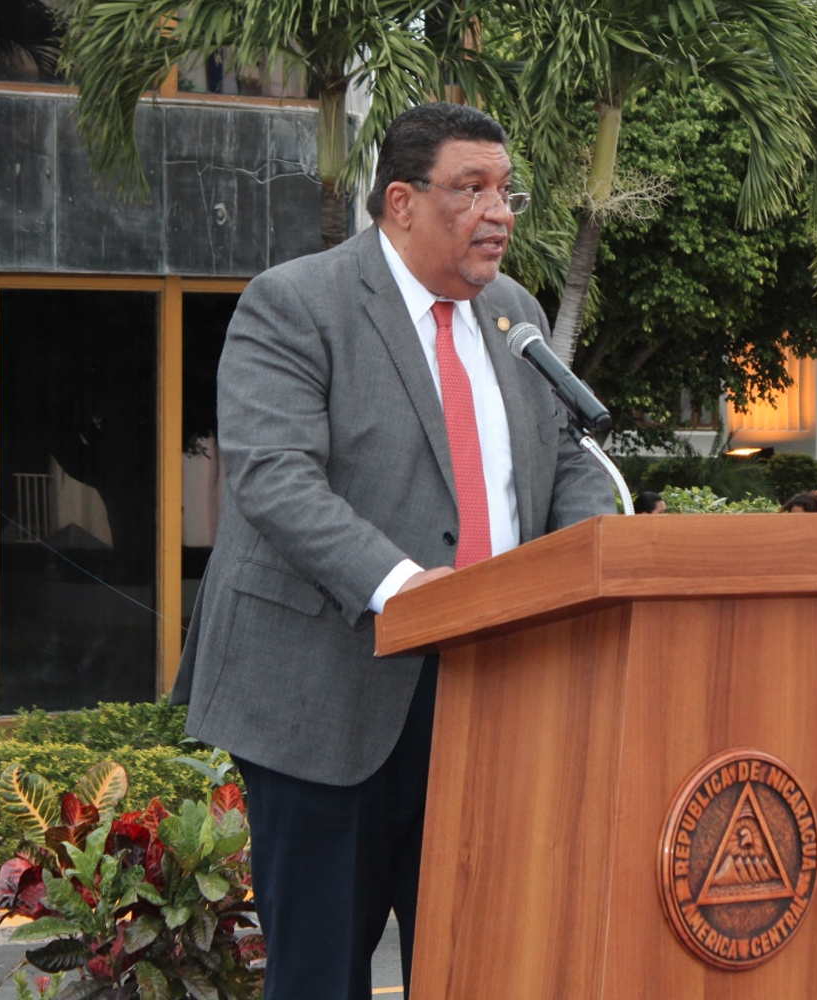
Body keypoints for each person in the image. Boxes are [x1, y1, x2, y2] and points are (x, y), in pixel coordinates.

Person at [171, 103, 614, 999]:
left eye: (506, 190)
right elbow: (276, 479)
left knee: (481, 964)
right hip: (328, 693)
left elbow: (570, 459)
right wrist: (413, 589)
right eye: (472, 189)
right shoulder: (296, 302)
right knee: (323, 974)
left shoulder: (514, 314)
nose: (500, 213)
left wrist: (580, 559)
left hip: (494, 689)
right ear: (402, 202)